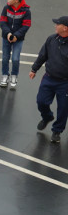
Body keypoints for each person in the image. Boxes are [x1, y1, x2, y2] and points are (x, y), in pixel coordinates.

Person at [30, 15, 68, 143]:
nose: (55, 26)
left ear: (65, 28)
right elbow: (43, 55)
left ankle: (57, 131)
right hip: (49, 78)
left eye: (57, 24)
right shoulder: (51, 39)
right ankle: (47, 117)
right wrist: (34, 69)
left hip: (65, 82)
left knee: (63, 108)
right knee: (41, 101)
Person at [0, 0, 31, 89]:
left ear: (16, 0)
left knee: (15, 59)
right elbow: (2, 22)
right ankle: (5, 75)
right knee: (5, 58)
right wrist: (8, 33)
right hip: (6, 37)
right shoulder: (6, 8)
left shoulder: (26, 11)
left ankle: (14, 76)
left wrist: (16, 36)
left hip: (18, 39)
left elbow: (26, 25)